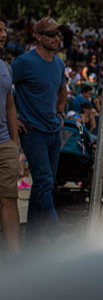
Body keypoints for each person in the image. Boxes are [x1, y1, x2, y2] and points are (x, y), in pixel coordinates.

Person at [11, 17, 67, 242]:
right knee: (44, 182)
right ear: (38, 37)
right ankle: (55, 232)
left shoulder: (59, 63)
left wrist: (61, 111)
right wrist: (12, 118)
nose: (56, 38)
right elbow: (5, 87)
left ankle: (32, 240)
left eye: (58, 34)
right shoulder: (24, 62)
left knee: (45, 185)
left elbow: (63, 88)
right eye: (51, 34)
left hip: (53, 130)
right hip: (32, 132)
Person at [0, 19, 20, 254]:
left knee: (9, 198)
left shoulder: (5, 67)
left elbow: (9, 106)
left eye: (4, 30)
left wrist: (14, 144)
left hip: (5, 143)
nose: (3, 34)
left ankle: (16, 255)